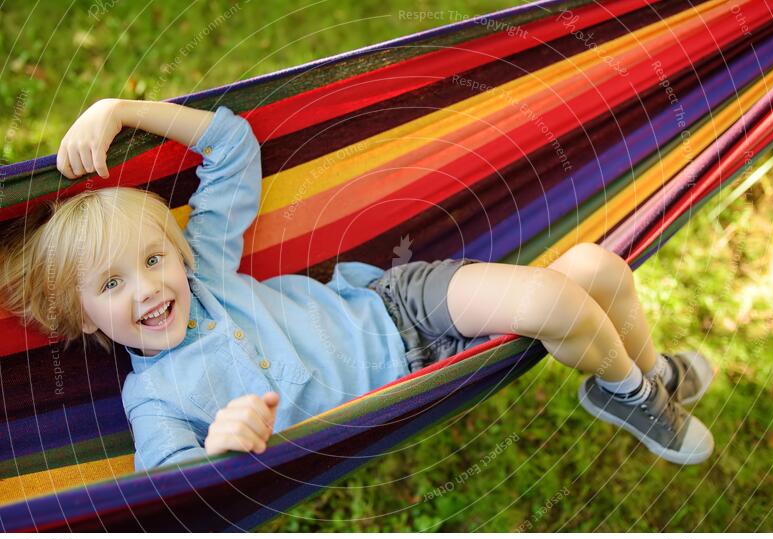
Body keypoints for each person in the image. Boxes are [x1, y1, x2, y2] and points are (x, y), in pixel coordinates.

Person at [0, 98, 716, 470]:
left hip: (396, 306)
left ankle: (637, 386)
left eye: (155, 259)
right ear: (84, 319)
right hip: (400, 384)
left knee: (597, 269)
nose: (148, 287)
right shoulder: (155, 397)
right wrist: (217, 446)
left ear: (181, 254)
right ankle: (642, 385)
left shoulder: (206, 268)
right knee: (585, 277)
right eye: (113, 283)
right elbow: (176, 499)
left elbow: (231, 146)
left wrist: (122, 112)